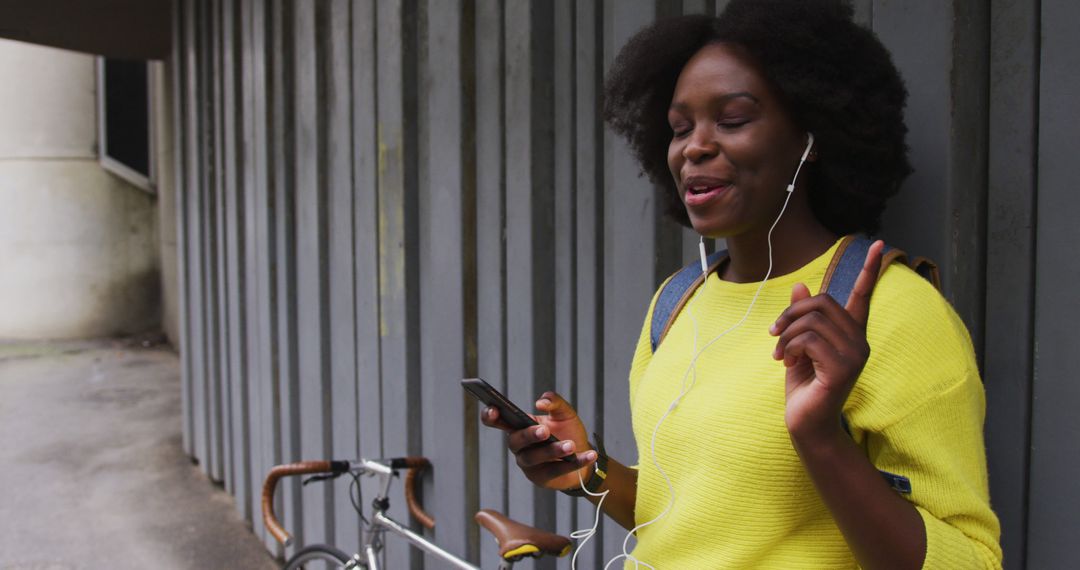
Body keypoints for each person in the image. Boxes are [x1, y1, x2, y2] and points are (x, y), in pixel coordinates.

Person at [482, 0, 1002, 568]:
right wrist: (589, 468)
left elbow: (972, 560)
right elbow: (681, 516)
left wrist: (821, 439)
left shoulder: (892, 310)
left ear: (811, 136)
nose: (694, 147)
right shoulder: (678, 303)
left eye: (731, 120)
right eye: (680, 129)